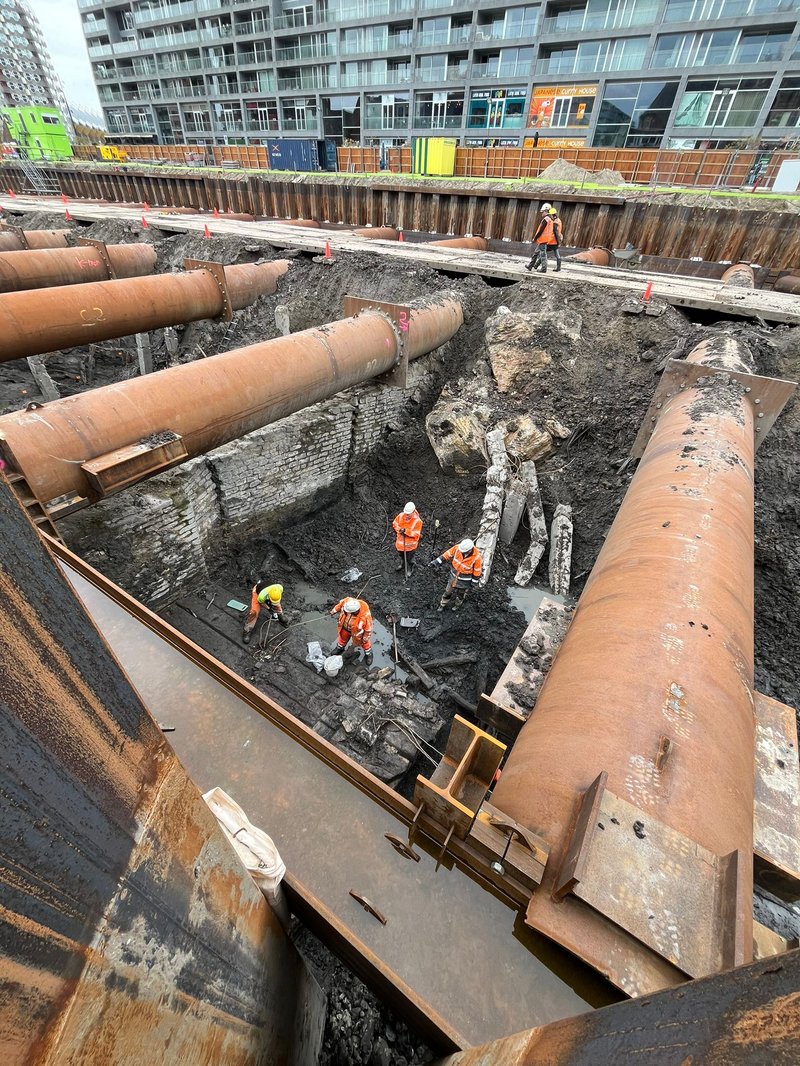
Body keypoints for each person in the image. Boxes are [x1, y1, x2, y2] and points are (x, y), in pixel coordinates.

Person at [429, 538, 483, 612]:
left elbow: (477, 571)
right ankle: (442, 604)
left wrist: (474, 582)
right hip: (453, 576)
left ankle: (457, 605)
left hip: (464, 580)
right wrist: (436, 562)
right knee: (447, 592)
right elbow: (446, 555)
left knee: (460, 594)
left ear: (469, 550)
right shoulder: (457, 548)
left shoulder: (477, 557)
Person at [330, 596, 373, 666]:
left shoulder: (365, 616)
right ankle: (340, 648)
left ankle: (368, 653)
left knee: (365, 643)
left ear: (355, 611)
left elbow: (368, 629)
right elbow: (339, 605)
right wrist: (334, 611)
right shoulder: (347, 602)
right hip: (345, 628)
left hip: (357, 633)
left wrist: (365, 638)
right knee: (342, 638)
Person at [243, 580, 288, 644]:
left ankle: (280, 616)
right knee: (254, 612)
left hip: (267, 593)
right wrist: (269, 608)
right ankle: (247, 631)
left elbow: (276, 601)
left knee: (277, 606)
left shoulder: (279, 588)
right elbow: (261, 603)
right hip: (257, 594)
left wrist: (275, 605)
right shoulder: (262, 596)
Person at [526, 206, 563, 274]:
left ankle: (541, 267)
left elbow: (554, 232)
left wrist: (535, 238)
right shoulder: (557, 220)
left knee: (543, 254)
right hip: (551, 240)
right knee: (540, 253)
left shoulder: (552, 221)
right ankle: (532, 266)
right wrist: (559, 241)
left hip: (551, 241)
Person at [392, 501, 423, 573]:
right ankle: (403, 565)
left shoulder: (418, 521)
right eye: (406, 513)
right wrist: (399, 530)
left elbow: (416, 534)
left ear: (413, 511)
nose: (406, 515)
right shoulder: (401, 515)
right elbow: (395, 523)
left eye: (408, 514)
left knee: (410, 559)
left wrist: (406, 531)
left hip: (410, 547)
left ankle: (410, 568)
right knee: (402, 557)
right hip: (400, 545)